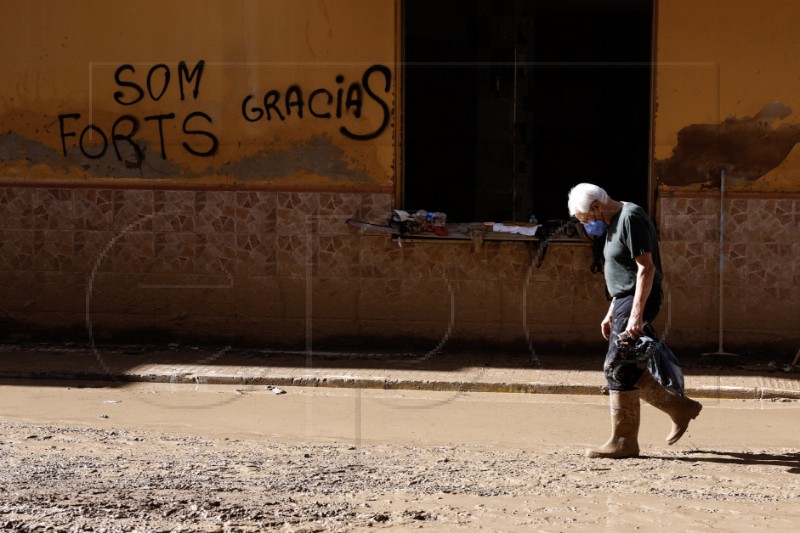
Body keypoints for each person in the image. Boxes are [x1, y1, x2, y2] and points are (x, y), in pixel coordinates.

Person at [567, 183, 702, 459]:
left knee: (616, 365)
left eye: (586, 220)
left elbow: (646, 268)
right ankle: (679, 408)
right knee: (625, 367)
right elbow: (622, 273)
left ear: (596, 207)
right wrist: (611, 312)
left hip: (637, 301)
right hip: (624, 301)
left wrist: (636, 316)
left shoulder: (631, 217)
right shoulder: (614, 222)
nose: (588, 226)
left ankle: (624, 441)